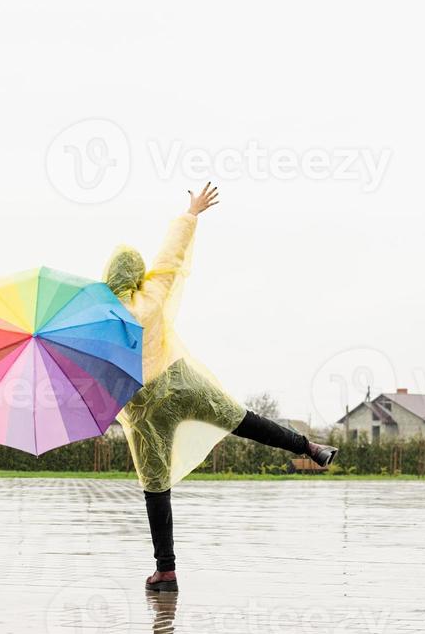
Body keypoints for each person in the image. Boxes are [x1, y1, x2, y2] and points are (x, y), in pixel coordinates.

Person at [103, 183, 337, 592]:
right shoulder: (153, 294)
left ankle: (167, 570)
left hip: (143, 412)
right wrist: (190, 213)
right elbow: (169, 257)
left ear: (108, 277)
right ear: (137, 275)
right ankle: (310, 448)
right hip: (183, 384)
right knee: (243, 420)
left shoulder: (98, 320)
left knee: (155, 486)